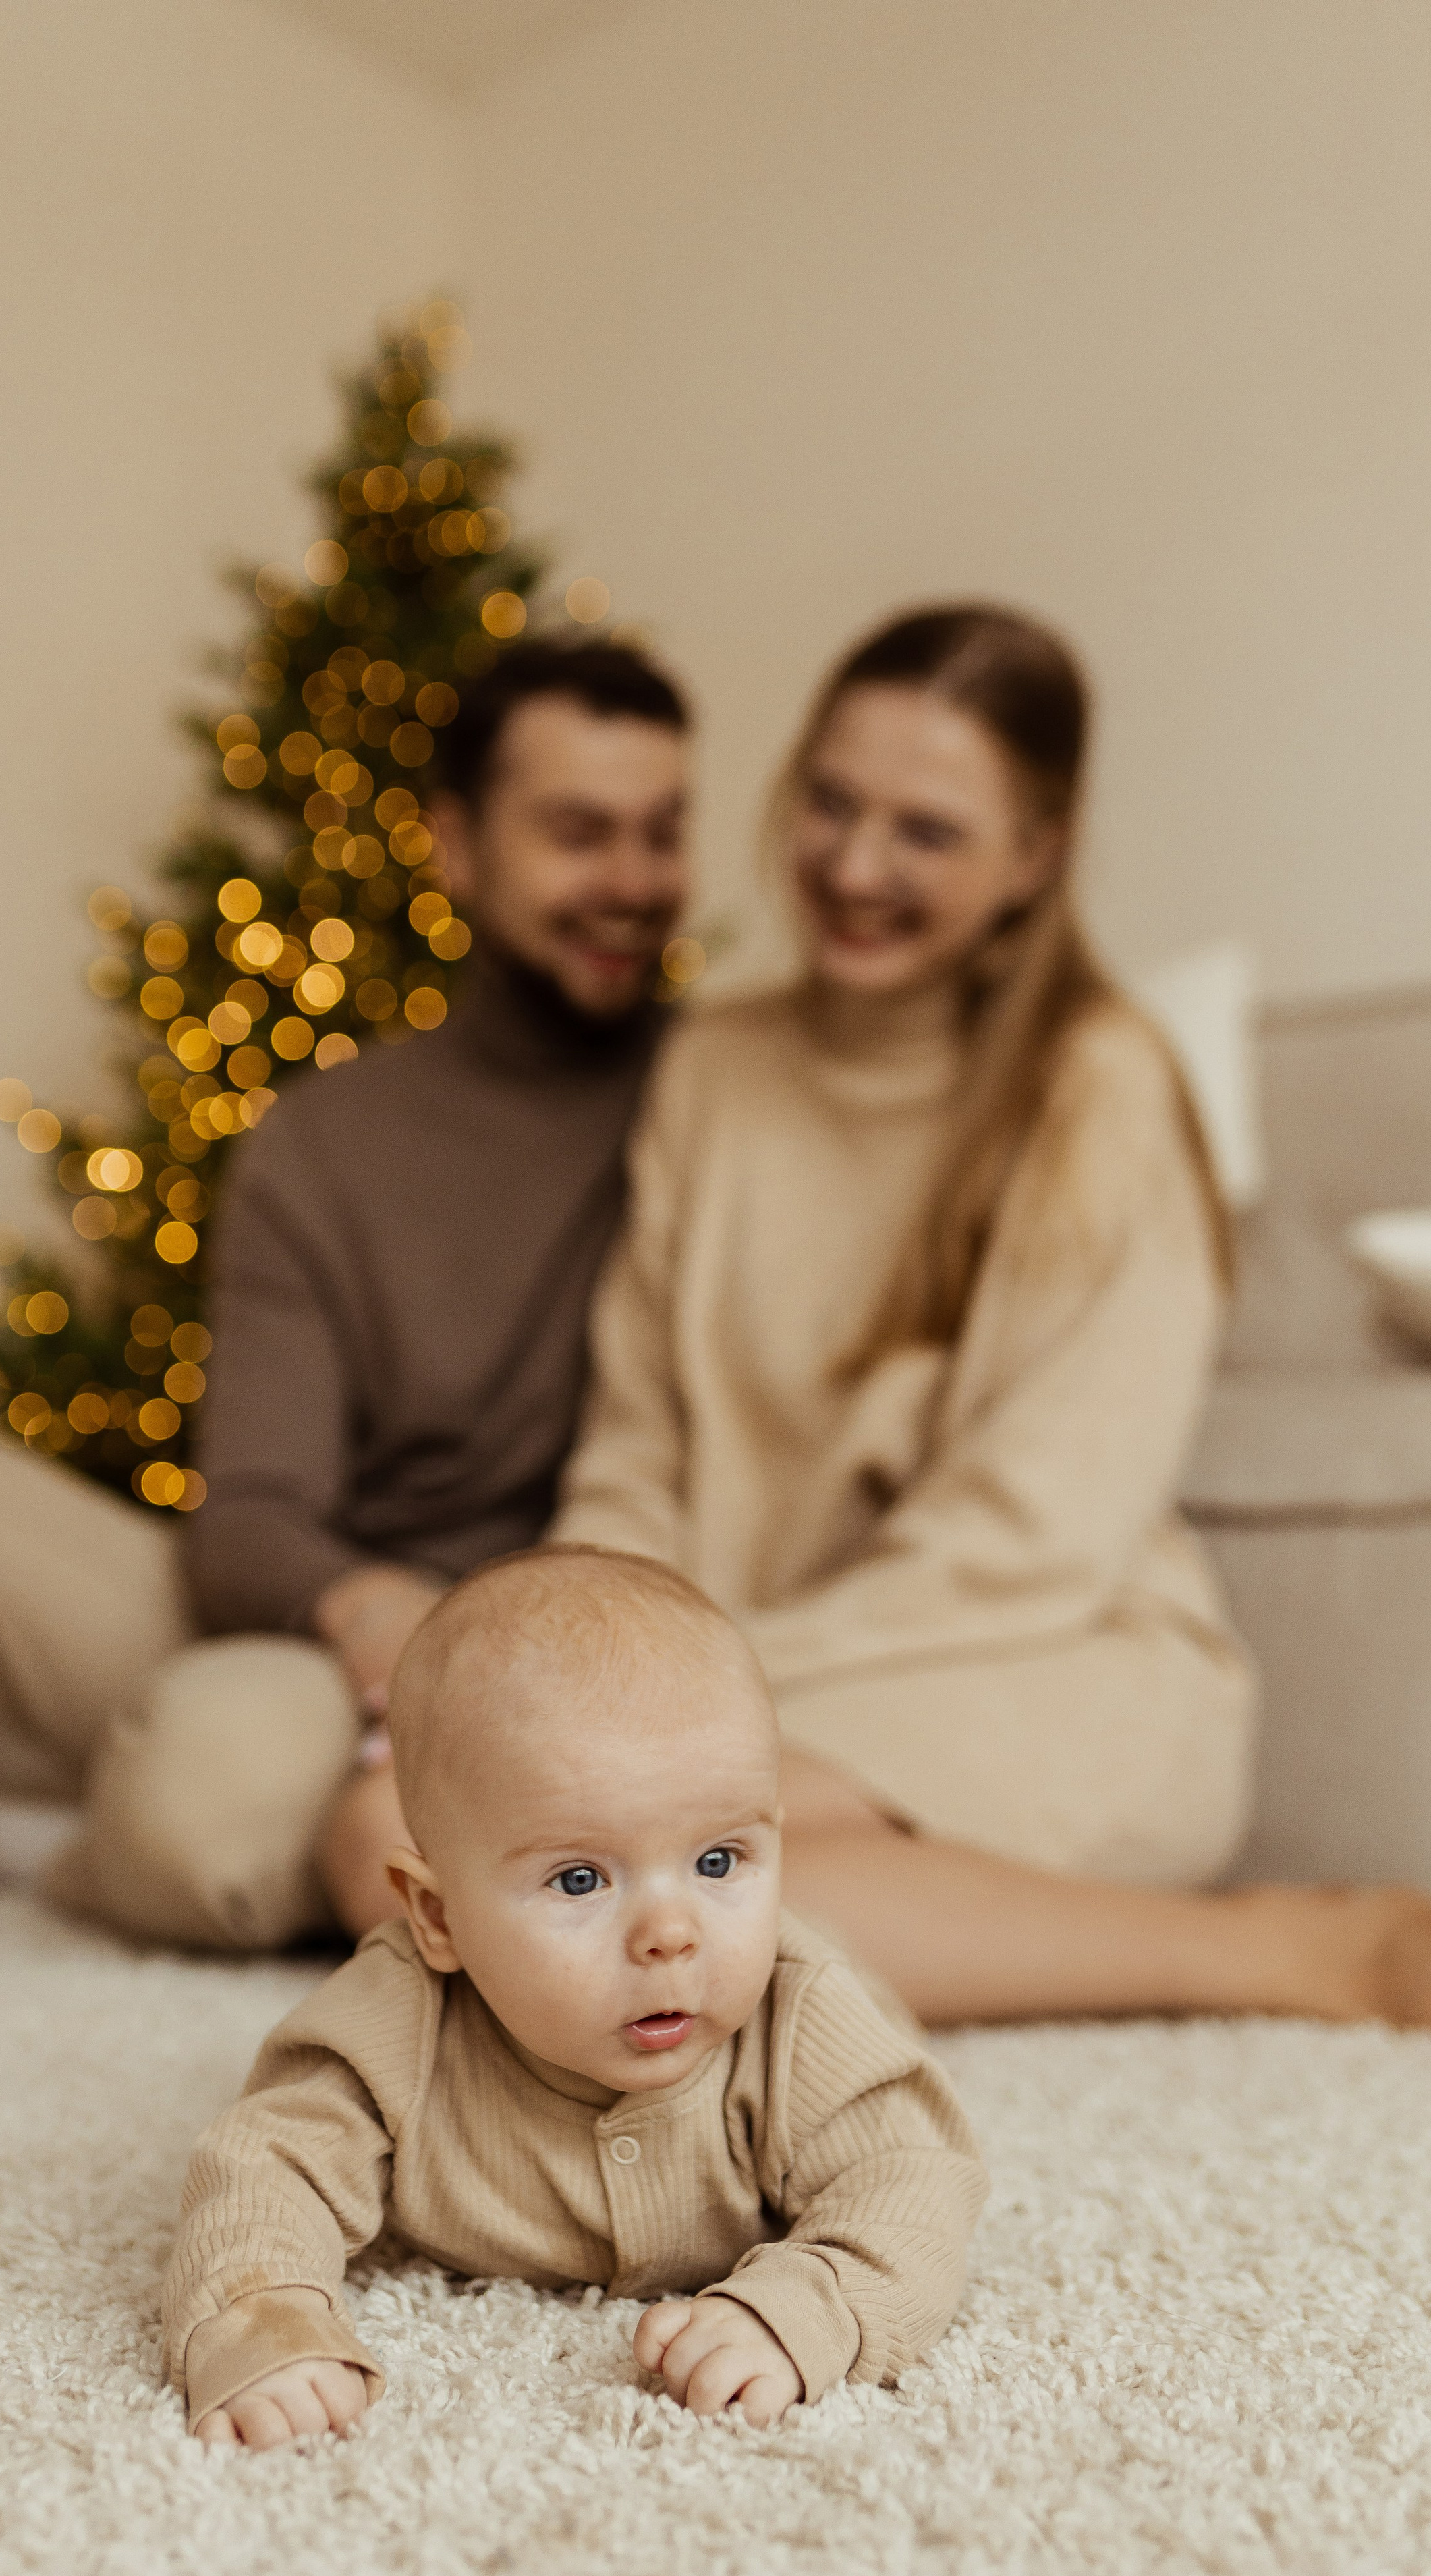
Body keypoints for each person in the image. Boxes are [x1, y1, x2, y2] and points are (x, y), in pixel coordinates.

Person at [335, 603, 1431, 2027]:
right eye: (832, 804)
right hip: (755, 1679)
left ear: (1033, 855)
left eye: (925, 832)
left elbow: (1026, 1544)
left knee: (600, 1894)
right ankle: (1180, 1944)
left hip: (1040, 1661)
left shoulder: (1098, 1084)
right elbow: (636, 1449)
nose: (854, 866)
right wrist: (588, 1668)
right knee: (397, 1842)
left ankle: (1298, 1957)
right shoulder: (714, 1067)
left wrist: (693, 1689)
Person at [0, 638, 691, 2000]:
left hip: (522, 1671)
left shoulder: (719, 1104)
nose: (631, 881)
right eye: (579, 833)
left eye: (661, 832)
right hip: (321, 1637)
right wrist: (366, 1608)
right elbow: (251, 1518)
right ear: (458, 846)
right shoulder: (330, 1137)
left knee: (208, 1793)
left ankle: (71, 1842)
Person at [164, 1545, 987, 2448]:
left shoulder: (801, 2016)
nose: (670, 1932)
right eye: (581, 1879)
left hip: (850, 2030)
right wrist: (262, 2319)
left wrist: (809, 2305)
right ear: (438, 1916)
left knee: (890, 2078)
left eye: (720, 1861)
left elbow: (912, 2180)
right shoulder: (394, 2023)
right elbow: (265, 2167)